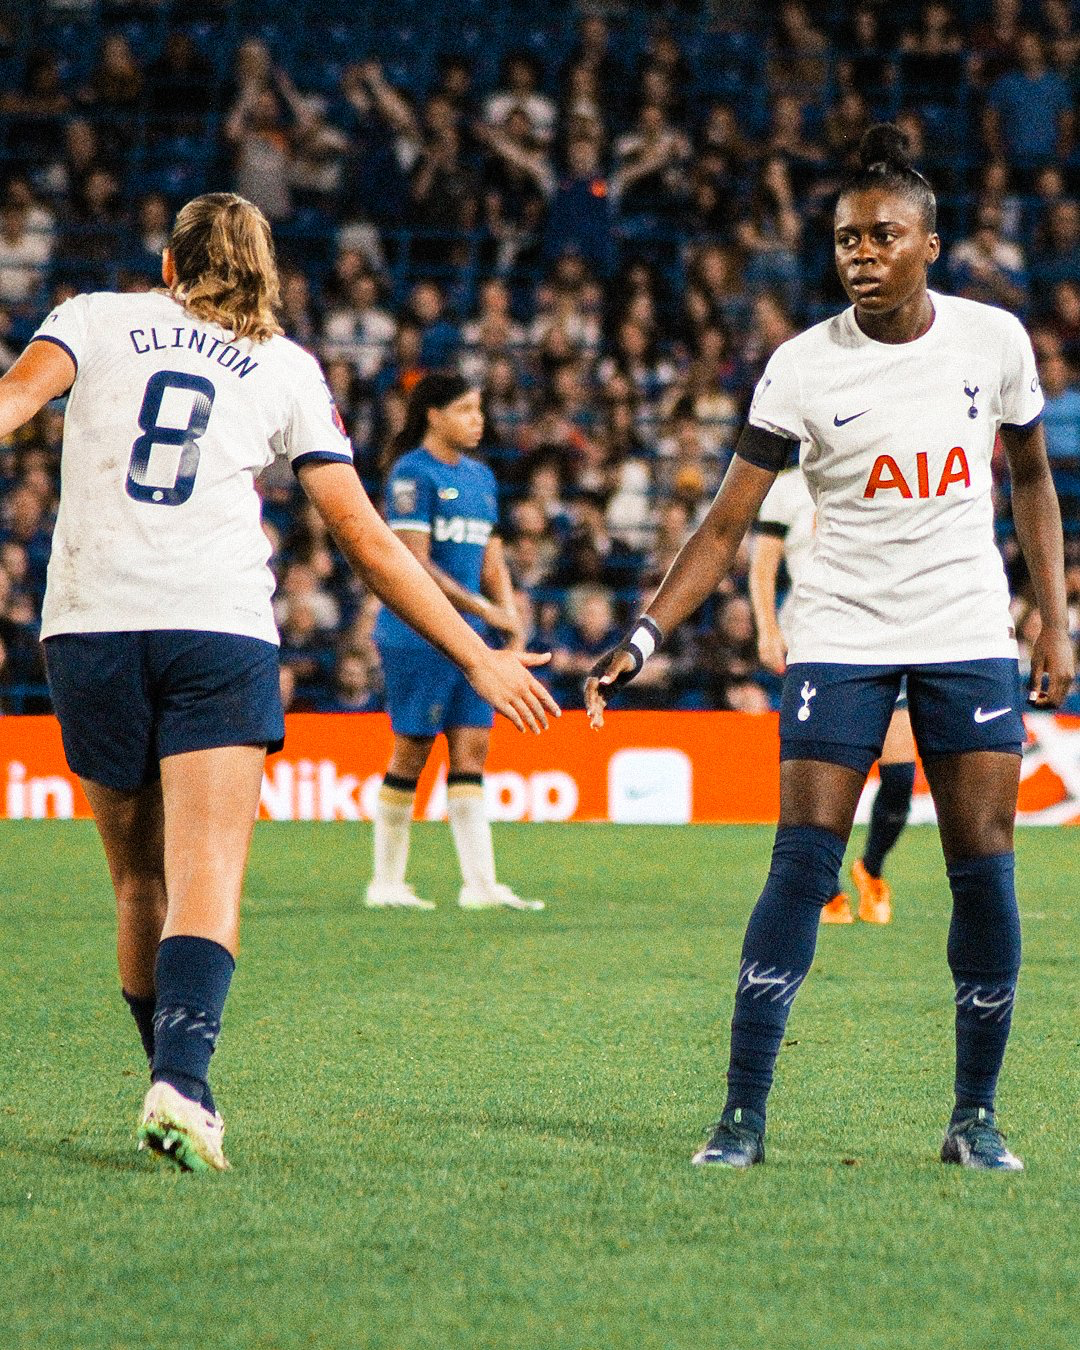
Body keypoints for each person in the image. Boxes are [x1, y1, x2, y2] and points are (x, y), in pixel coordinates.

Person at [1, 193, 557, 1173]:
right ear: (265, 272)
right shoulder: (286, 365)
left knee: (138, 881)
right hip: (216, 627)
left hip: (89, 625)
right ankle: (181, 1083)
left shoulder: (89, 317)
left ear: (169, 266)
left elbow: (9, 405)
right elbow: (364, 537)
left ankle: (176, 1082)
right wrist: (476, 653)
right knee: (208, 872)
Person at [586, 126, 1073, 1172]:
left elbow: (1033, 478)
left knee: (984, 867)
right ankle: (741, 1117)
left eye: (883, 235)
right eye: (848, 238)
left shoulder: (993, 341)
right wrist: (644, 632)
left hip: (966, 628)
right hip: (842, 632)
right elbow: (726, 522)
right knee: (803, 863)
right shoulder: (800, 367)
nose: (861, 253)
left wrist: (1054, 617)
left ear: (928, 244)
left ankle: (975, 1117)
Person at [368, 373, 545, 912]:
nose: (478, 420)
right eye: (466, 409)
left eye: (479, 409)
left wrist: (509, 613)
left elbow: (491, 554)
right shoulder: (411, 473)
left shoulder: (481, 477)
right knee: (414, 750)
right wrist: (485, 610)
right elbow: (414, 563)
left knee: (473, 750)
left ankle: (480, 886)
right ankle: (386, 883)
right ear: (434, 415)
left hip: (472, 638)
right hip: (418, 633)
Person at [749, 464, 916, 924]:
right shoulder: (786, 488)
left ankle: (871, 869)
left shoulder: (875, 467)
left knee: (900, 779)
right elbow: (763, 568)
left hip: (885, 636)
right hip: (817, 640)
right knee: (825, 774)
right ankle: (826, 888)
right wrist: (767, 628)